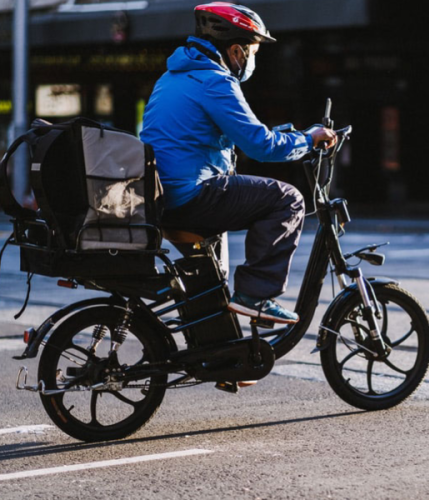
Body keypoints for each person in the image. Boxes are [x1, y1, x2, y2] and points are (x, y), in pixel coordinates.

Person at [140, 2, 337, 324]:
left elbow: (240, 134)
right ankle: (257, 296)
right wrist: (310, 139)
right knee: (286, 198)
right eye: (254, 52)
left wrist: (294, 137)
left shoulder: (172, 77)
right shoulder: (215, 81)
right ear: (236, 51)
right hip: (192, 196)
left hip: (165, 198)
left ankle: (223, 362)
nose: (252, 60)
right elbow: (261, 146)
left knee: (211, 286)